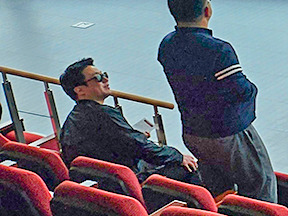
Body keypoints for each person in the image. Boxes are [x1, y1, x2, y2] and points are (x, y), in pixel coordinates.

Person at [156, 0, 277, 201]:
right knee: (260, 184)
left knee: (216, 187)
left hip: (193, 132)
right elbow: (240, 90)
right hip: (227, 133)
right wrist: (252, 89)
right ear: (207, 11)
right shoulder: (218, 49)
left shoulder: (166, 44)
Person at [58, 58, 199, 183]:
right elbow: (141, 148)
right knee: (188, 167)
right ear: (80, 90)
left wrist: (134, 136)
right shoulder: (104, 114)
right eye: (98, 78)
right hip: (124, 181)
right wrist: (178, 156)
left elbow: (120, 142)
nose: (106, 79)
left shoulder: (73, 118)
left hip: (104, 179)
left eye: (104, 75)